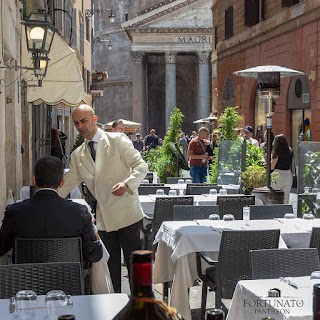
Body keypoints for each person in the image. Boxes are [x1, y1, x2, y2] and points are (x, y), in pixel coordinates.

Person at [58, 104, 148, 293]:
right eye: (76, 123)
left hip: (128, 214)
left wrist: (127, 184)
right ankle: (114, 310)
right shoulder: (77, 155)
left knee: (135, 269)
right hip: (104, 220)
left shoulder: (117, 140)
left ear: (95, 119)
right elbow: (67, 184)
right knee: (110, 270)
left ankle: (142, 309)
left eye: (84, 121)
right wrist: (44, 197)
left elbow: (141, 166)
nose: (80, 126)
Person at [0, 156, 103, 264]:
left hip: (26, 279)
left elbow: (2, 248)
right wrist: (96, 235)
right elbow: (94, 255)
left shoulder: (14, 212)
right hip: (68, 279)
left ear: (34, 180)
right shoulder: (79, 212)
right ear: (62, 183)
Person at [270, 134, 293, 204]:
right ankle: (285, 213)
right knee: (286, 200)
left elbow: (271, 167)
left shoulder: (276, 153)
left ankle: (276, 213)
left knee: (276, 198)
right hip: (288, 174)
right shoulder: (290, 150)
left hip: (277, 175)